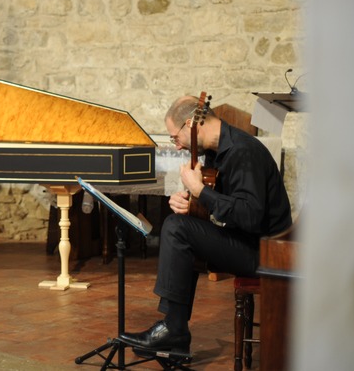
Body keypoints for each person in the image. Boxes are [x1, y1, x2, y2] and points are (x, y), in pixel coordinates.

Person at [119, 95, 292, 357]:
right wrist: (189, 203)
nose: (177, 146)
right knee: (179, 226)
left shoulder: (244, 152)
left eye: (175, 138)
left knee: (177, 229)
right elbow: (221, 206)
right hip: (246, 241)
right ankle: (175, 333)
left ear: (191, 124)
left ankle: (174, 330)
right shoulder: (214, 153)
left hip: (267, 252)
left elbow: (250, 217)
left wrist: (200, 191)